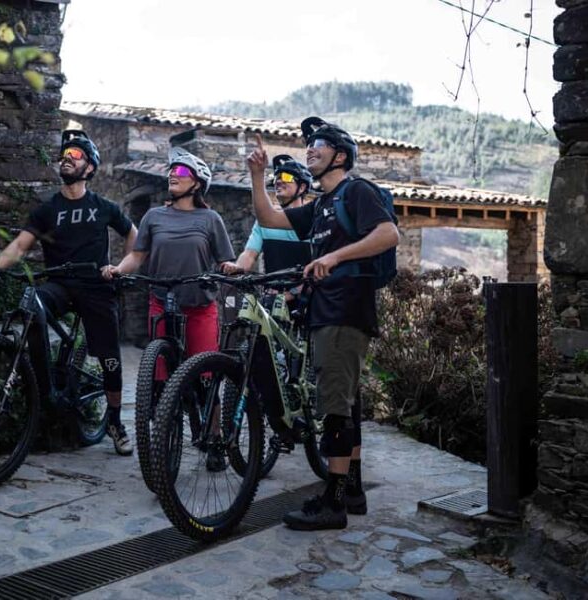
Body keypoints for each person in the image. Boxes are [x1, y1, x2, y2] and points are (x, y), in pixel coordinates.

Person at [246, 119, 400, 530]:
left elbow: (388, 234)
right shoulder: (320, 206)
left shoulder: (357, 191)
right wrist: (258, 175)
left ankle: (333, 503)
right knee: (341, 401)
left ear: (341, 156)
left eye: (319, 144)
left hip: (346, 311)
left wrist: (334, 257)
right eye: (309, 144)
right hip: (325, 311)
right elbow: (270, 218)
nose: (310, 149)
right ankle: (352, 490)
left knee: (333, 407)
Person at [0, 129, 138, 456]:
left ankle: (115, 421)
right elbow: (21, 245)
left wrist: (120, 269)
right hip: (59, 284)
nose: (67, 158)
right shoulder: (48, 209)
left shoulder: (104, 207)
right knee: (30, 303)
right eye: (65, 154)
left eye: (76, 155)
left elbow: (135, 237)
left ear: (89, 168)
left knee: (109, 357)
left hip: (96, 286)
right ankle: (44, 388)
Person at [102, 147, 236, 471]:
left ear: (197, 184)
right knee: (160, 378)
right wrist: (120, 269)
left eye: (181, 174)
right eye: (171, 173)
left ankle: (214, 438)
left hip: (199, 306)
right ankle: (164, 434)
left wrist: (231, 268)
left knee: (205, 376)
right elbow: (138, 255)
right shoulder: (153, 217)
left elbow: (224, 259)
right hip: (162, 301)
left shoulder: (210, 219)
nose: (172, 177)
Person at [222, 154, 313, 311]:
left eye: (286, 176)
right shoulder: (264, 223)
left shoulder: (312, 220)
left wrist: (294, 292)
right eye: (276, 177)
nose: (279, 180)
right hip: (272, 297)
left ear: (302, 187)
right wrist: (237, 267)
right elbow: (250, 254)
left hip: (307, 299)